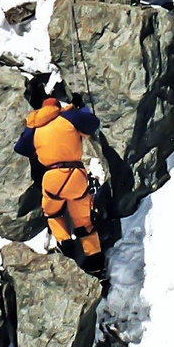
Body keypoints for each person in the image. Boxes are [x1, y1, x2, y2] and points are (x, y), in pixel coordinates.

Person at [15, 95, 108, 274]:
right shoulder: (67, 116)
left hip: (52, 178)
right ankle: (96, 263)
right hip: (75, 175)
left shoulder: (35, 127)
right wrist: (81, 108)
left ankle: (67, 247)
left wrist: (30, 128)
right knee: (84, 222)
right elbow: (92, 122)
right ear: (57, 106)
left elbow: (21, 148)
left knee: (53, 214)